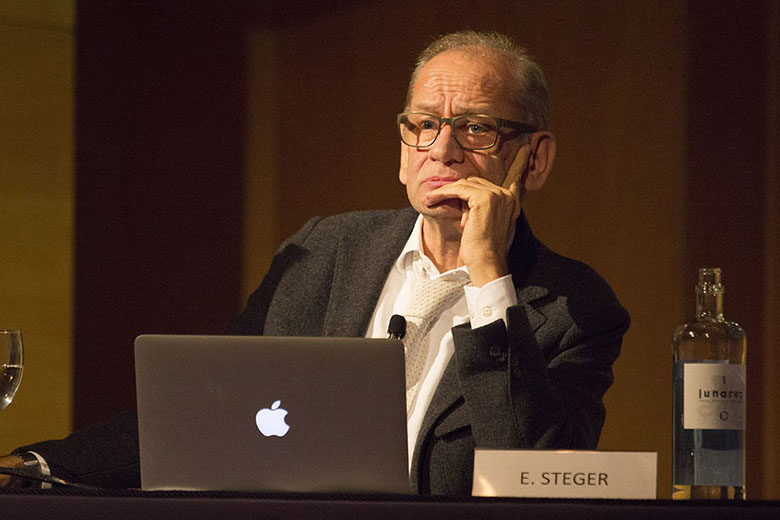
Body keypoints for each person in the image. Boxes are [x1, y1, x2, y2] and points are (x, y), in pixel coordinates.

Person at [0, 30, 629, 495]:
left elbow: (530, 473)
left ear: (535, 159)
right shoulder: (326, 253)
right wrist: (37, 466)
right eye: (423, 125)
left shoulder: (575, 309)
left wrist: (490, 276)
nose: (442, 150)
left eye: (477, 129)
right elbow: (203, 413)